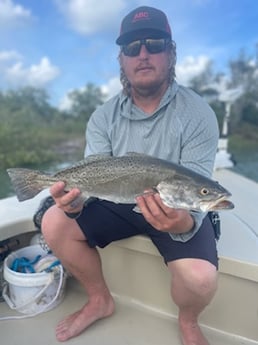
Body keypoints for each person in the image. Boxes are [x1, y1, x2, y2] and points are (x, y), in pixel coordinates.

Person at [41, 6, 219, 345]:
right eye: (132, 47)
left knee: (200, 279)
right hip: (117, 197)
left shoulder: (199, 114)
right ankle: (99, 300)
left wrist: (181, 222)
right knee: (54, 221)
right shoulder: (102, 116)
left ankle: (189, 321)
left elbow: (196, 190)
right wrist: (73, 205)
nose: (143, 54)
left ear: (171, 53)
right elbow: (92, 178)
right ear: (122, 60)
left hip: (175, 206)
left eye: (154, 43)